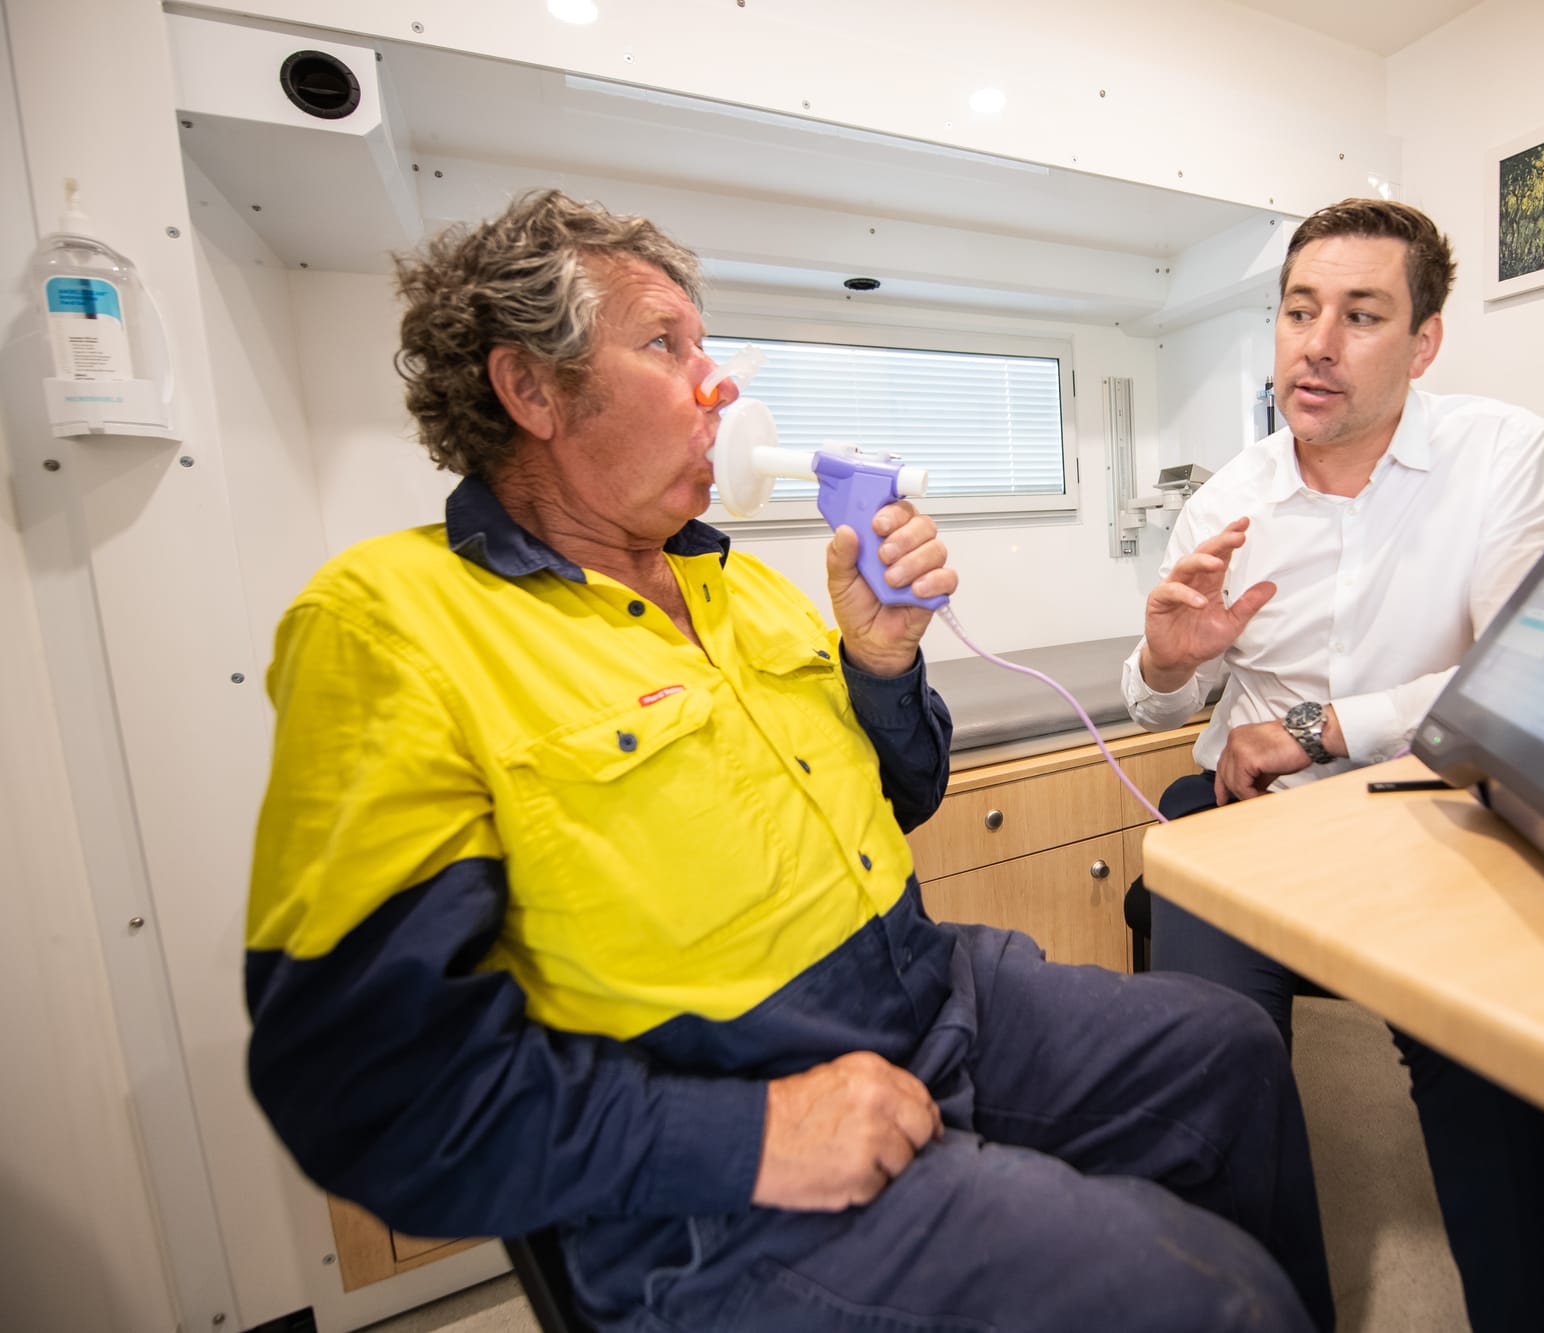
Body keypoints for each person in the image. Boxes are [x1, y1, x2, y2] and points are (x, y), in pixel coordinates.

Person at [242, 189, 1335, 1333]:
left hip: (929, 992)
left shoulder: (742, 586)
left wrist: (879, 661)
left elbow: (901, 793)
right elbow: (364, 1089)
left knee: (1227, 1049)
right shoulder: (390, 623)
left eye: (707, 346)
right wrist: (750, 1136)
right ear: (530, 390)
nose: (719, 386)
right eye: (665, 344)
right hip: (718, 1126)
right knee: (1208, 1301)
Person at [1121, 198, 1544, 1333]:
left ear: (1422, 342)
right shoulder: (1226, 501)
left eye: (1360, 314)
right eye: (1297, 310)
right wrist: (1164, 658)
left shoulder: (1498, 454)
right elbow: (1154, 694)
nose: (1315, 344)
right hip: (1249, 818)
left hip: (1432, 815)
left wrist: (1326, 725)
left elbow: (1517, 673)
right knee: (1206, 1057)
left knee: (1488, 1066)